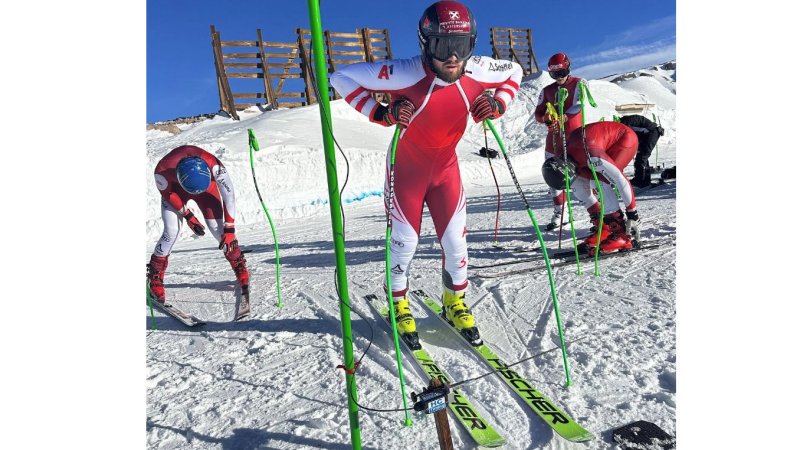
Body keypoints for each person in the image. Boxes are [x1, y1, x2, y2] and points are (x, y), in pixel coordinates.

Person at [330, 0, 522, 347]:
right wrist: (381, 112)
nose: (452, 57)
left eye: (461, 46)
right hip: (407, 170)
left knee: (456, 242)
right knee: (406, 242)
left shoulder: (478, 69)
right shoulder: (405, 72)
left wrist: (498, 104)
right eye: (442, 46)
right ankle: (398, 301)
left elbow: (515, 73)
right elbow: (341, 77)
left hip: (446, 169)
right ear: (425, 44)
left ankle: (455, 301)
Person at [147, 145, 250, 304]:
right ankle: (155, 274)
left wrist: (230, 229)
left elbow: (229, 197)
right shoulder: (162, 170)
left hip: (207, 190)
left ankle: (238, 263)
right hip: (175, 191)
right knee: (171, 231)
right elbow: (169, 194)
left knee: (220, 232)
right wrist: (187, 215)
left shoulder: (215, 166)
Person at [541, 121, 641, 254]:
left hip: (623, 140)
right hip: (589, 148)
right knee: (578, 183)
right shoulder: (561, 154)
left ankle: (622, 235)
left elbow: (620, 180)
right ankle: (604, 228)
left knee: (602, 180)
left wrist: (632, 213)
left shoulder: (593, 157)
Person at [534, 52, 587, 231]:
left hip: (575, 138)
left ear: (568, 68)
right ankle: (560, 212)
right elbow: (538, 114)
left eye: (562, 72)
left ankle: (597, 212)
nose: (559, 78)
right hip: (554, 141)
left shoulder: (580, 83)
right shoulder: (547, 90)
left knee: (583, 178)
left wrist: (564, 116)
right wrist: (546, 119)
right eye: (554, 74)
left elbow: (580, 104)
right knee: (553, 178)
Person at [618, 114, 665, 187]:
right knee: (641, 158)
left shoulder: (626, 123)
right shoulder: (626, 122)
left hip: (652, 133)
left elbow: (639, 122)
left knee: (642, 158)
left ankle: (641, 180)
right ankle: (644, 180)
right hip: (646, 135)